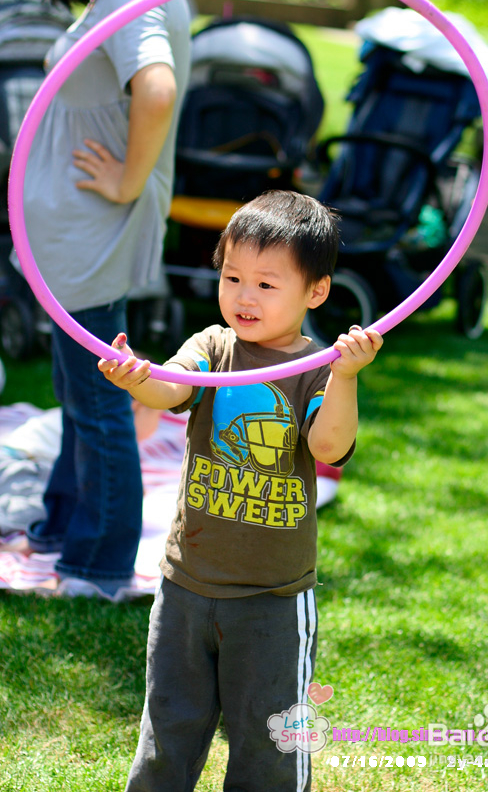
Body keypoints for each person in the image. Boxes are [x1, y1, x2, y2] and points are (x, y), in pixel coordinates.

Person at [99, 190, 383, 791]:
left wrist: (347, 377)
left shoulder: (317, 367)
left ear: (316, 292)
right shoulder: (214, 346)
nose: (243, 296)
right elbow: (172, 390)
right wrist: (137, 378)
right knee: (167, 727)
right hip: (185, 585)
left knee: (268, 741)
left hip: (271, 598)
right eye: (232, 277)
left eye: (265, 284)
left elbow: (329, 447)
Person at [16, 0, 191, 596]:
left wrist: (124, 182)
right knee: (78, 386)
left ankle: (99, 561)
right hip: (71, 231)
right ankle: (67, 519)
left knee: (97, 399)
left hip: (91, 230)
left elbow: (157, 86)